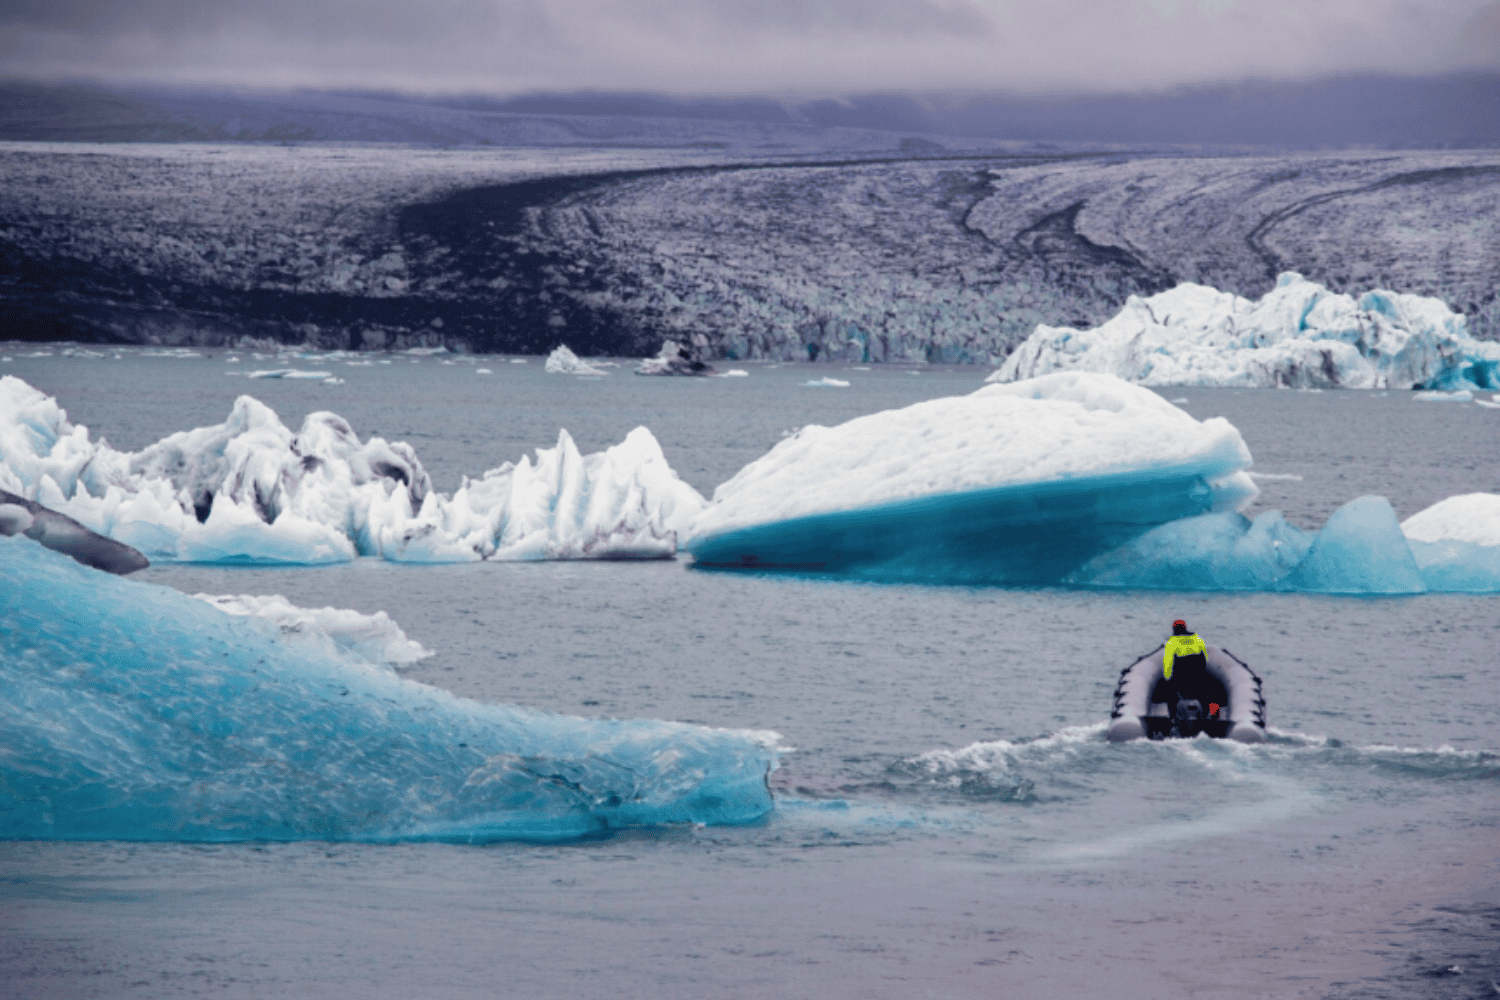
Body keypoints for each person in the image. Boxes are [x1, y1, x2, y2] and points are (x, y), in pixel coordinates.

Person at [1161, 619, 1209, 719]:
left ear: (1174, 629)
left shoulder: (1172, 642)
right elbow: (1206, 660)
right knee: (1205, 694)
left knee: (1170, 694)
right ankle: (1205, 715)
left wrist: (1167, 679)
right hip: (1197, 678)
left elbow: (1168, 664)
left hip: (1180, 679)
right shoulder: (1197, 639)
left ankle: (1172, 717)